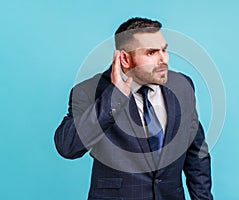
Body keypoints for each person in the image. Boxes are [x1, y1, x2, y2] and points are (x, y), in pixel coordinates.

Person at [54, 17, 213, 200]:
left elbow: (196, 152)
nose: (163, 60)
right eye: (152, 53)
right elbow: (67, 147)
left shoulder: (182, 85)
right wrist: (115, 97)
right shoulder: (89, 91)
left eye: (164, 49)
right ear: (125, 58)